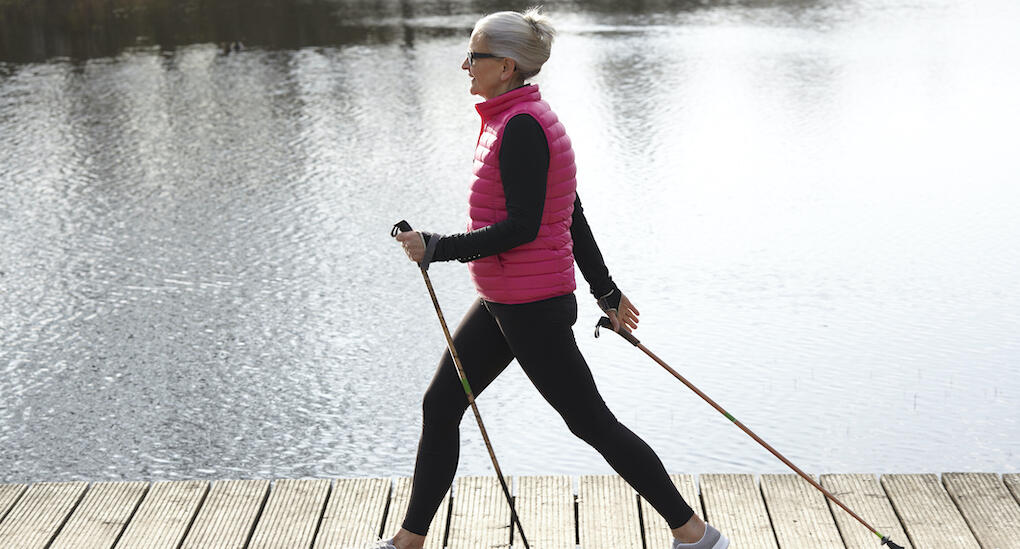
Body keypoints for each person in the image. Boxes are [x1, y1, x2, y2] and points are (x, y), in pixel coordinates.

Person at [379, 8, 729, 549]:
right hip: (507, 301)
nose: (464, 65)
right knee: (442, 403)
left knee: (590, 422)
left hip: (531, 307)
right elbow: (569, 211)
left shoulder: (521, 127)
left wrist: (436, 248)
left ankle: (694, 533)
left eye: (475, 55)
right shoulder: (518, 118)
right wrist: (605, 291)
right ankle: (409, 541)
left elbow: (524, 227)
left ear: (507, 66)